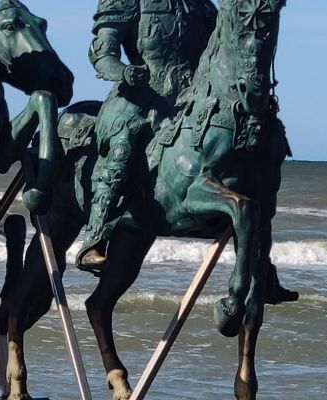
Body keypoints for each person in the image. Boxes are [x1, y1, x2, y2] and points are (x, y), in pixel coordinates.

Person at [74, 0, 219, 270]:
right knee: (124, 144)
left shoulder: (204, 7)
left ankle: (257, 259)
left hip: (192, 100)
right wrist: (124, 71)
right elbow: (103, 51)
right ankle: (93, 239)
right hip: (142, 94)